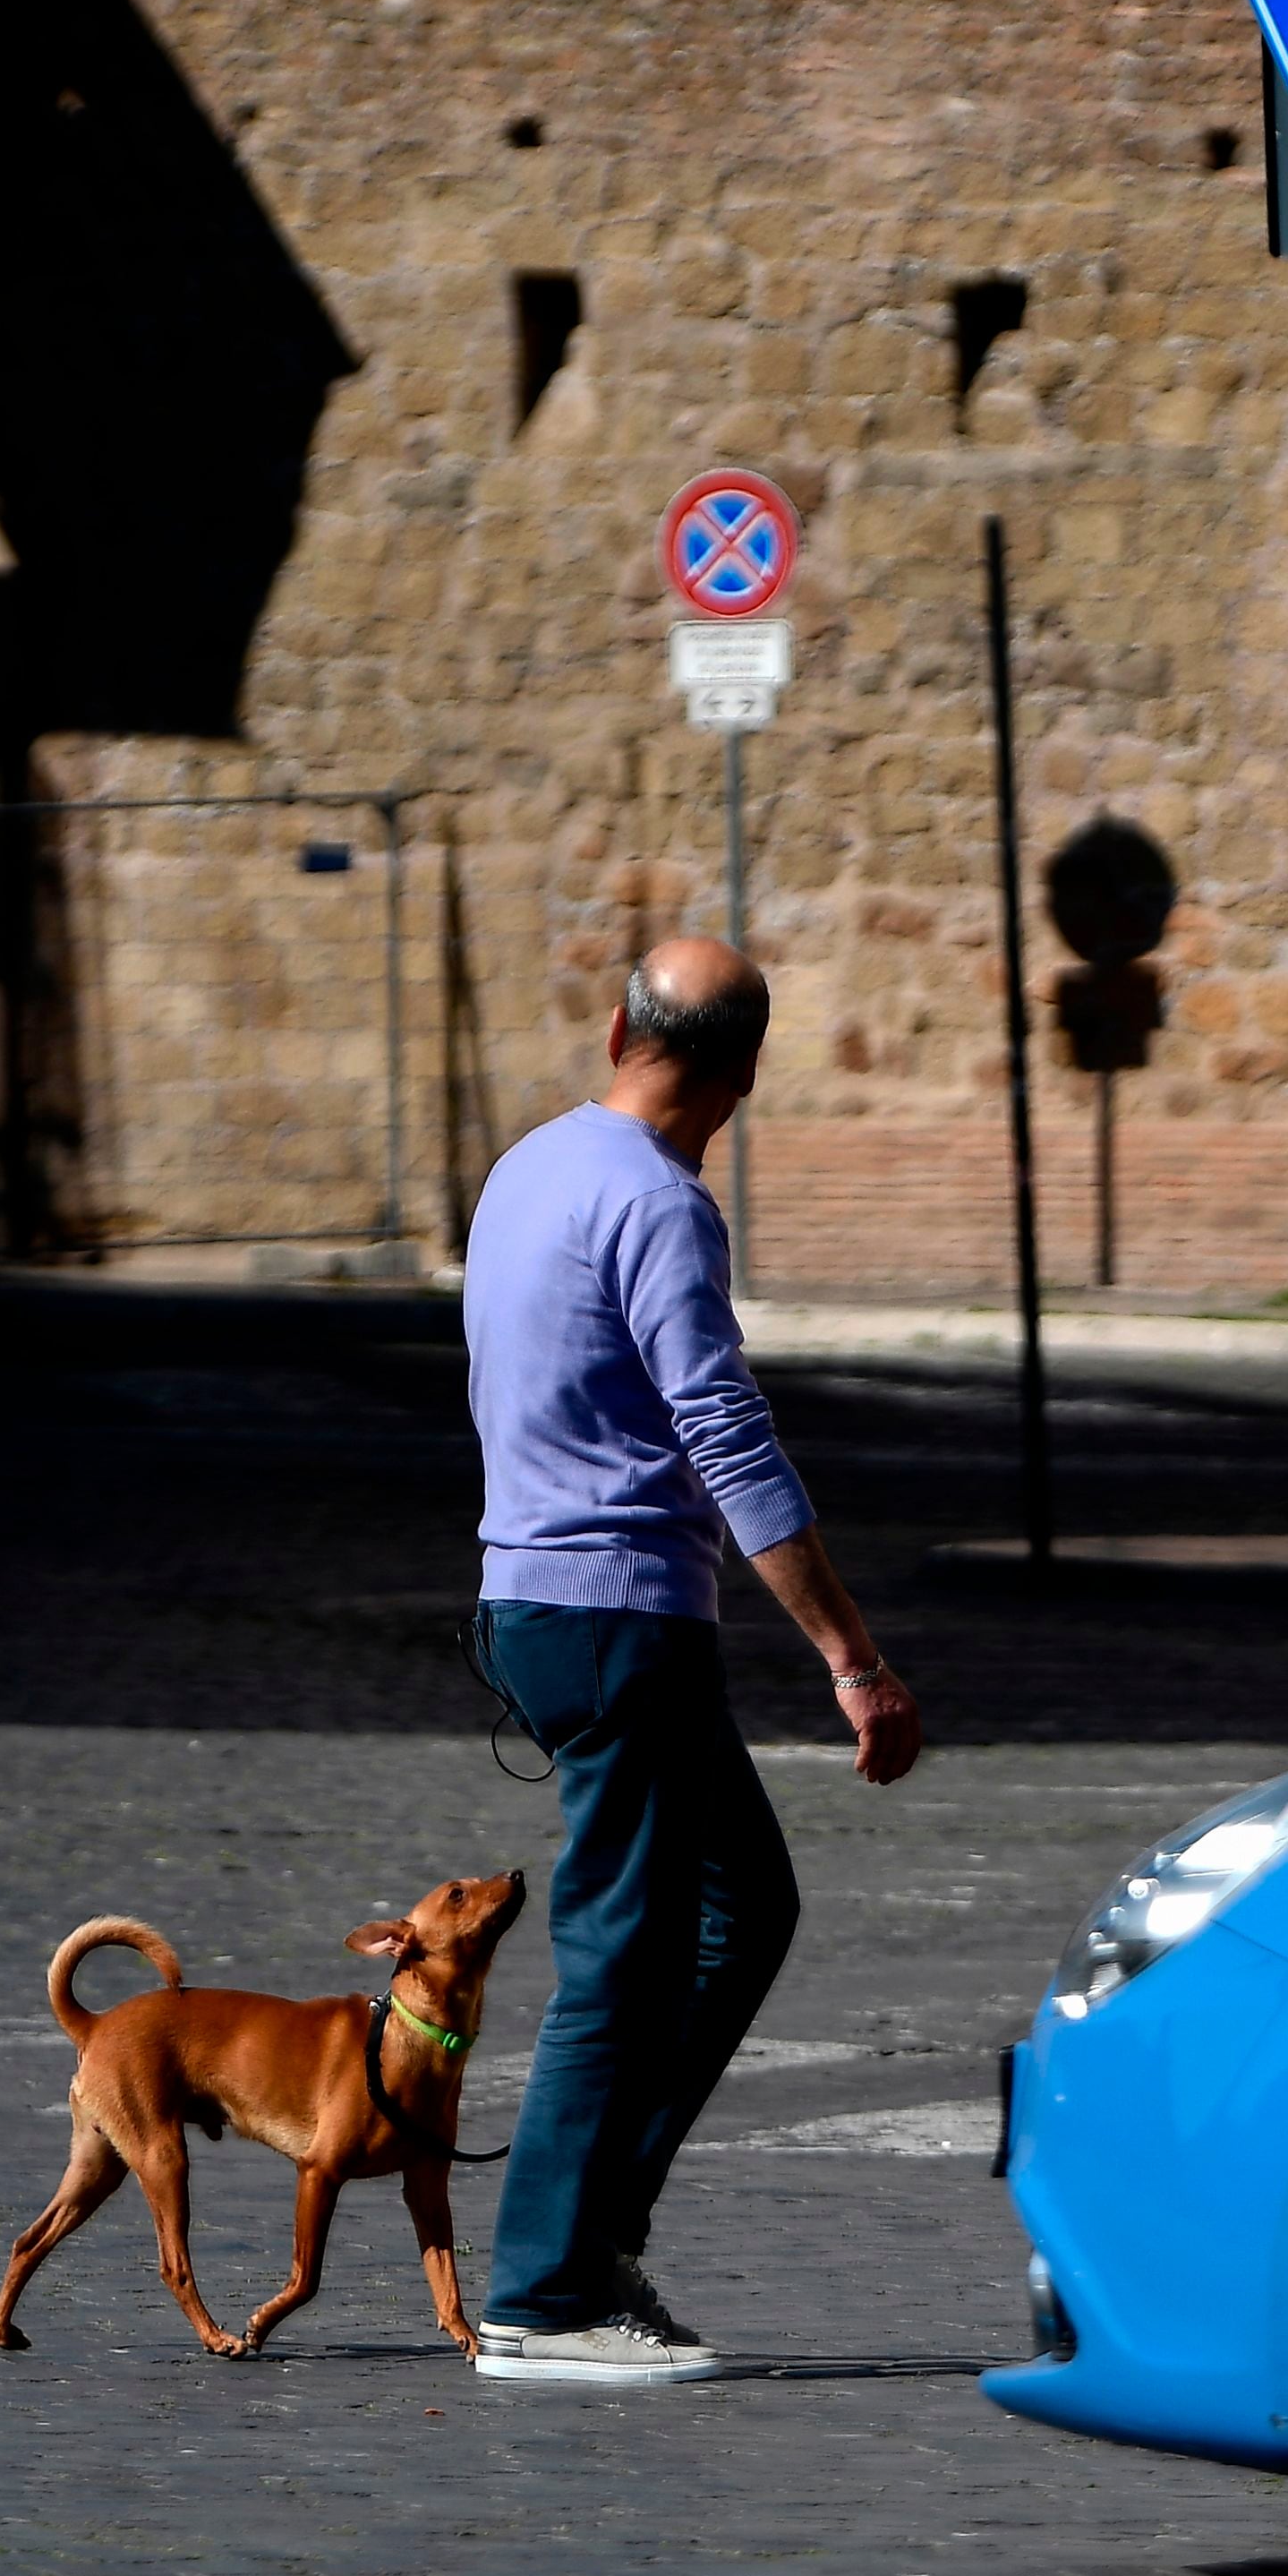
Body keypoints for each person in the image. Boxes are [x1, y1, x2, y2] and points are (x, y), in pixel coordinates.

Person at [461, 937, 924, 2387]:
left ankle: (595, 2239)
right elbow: (723, 1432)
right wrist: (851, 1656)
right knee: (621, 1950)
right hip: (615, 1617)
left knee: (742, 1905)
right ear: (745, 1074)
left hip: (529, 1600)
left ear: (617, 1030)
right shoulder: (663, 1206)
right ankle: (540, 2291)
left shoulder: (528, 1165)